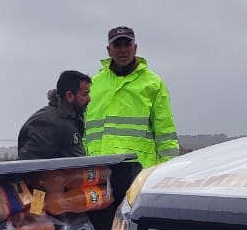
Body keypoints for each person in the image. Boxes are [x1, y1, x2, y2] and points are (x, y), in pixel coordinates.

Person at [84, 26, 180, 167]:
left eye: (127, 44)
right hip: (98, 171)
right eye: (117, 45)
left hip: (137, 171)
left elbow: (165, 133)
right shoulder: (94, 83)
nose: (123, 50)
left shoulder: (153, 83)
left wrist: (169, 170)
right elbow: (82, 131)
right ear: (109, 50)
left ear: (135, 48)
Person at [17, 70, 91, 159]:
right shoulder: (48, 123)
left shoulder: (71, 119)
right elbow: (27, 165)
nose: (89, 98)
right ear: (69, 95)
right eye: (85, 94)